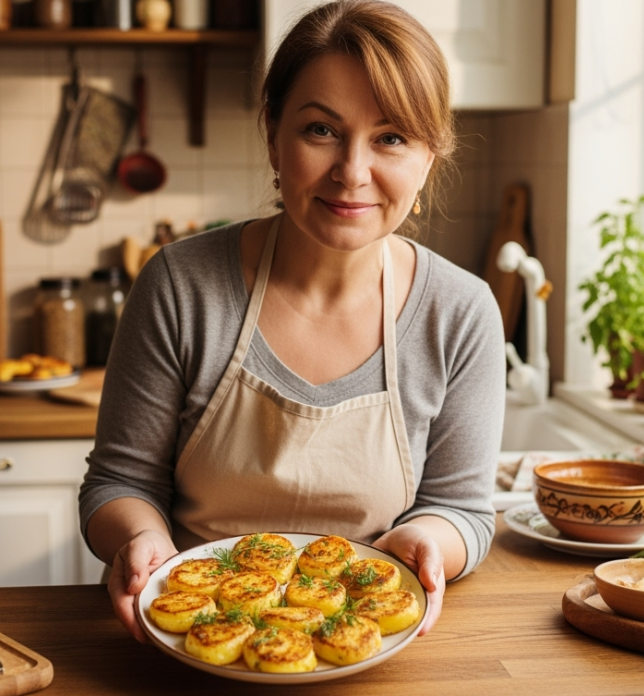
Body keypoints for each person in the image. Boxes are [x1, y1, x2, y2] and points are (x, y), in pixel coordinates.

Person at [79, 0, 506, 644]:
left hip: (368, 644)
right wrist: (142, 539)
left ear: (429, 160)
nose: (352, 173)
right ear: (274, 134)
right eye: (321, 130)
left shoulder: (462, 312)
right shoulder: (180, 285)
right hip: (188, 640)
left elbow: (462, 510)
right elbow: (120, 481)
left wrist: (427, 541)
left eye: (390, 138)